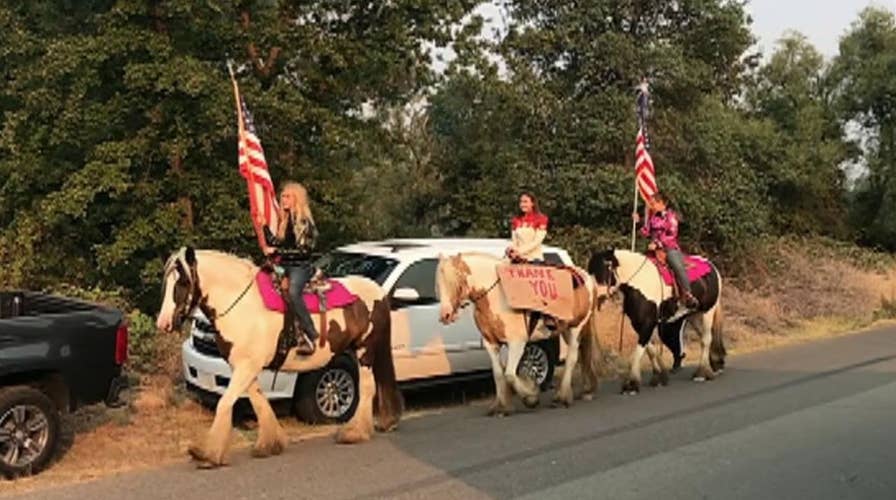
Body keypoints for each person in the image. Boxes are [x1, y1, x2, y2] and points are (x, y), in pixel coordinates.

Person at [257, 181, 319, 355]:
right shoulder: (286, 222)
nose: (283, 199)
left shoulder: (303, 221)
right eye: (282, 196)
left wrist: (276, 250)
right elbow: (276, 243)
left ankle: (310, 333)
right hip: (285, 265)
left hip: (300, 266)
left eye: (287, 196)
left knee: (293, 292)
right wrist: (264, 226)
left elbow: (304, 250)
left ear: (296, 199)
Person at [633, 192, 699, 310]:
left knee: (676, 264)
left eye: (653, 203)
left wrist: (658, 243)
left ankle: (688, 294)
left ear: (662, 204)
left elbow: (672, 234)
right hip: (653, 250)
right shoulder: (653, 217)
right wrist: (638, 223)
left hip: (669, 248)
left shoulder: (671, 217)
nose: (651, 206)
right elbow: (647, 232)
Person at [507, 193, 549, 263]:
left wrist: (519, 251)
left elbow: (536, 241)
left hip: (534, 260)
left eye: (525, 202)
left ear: (532, 203)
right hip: (518, 260)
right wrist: (512, 250)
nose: (522, 205)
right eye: (521, 202)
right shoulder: (516, 220)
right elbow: (515, 241)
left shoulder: (541, 219)